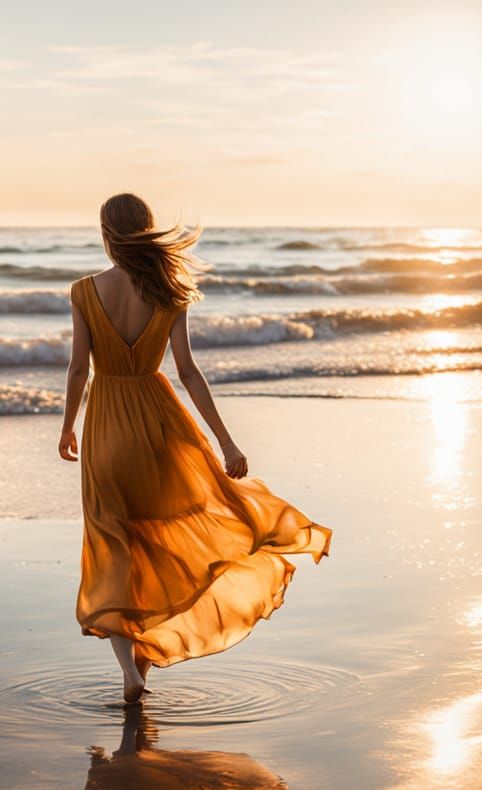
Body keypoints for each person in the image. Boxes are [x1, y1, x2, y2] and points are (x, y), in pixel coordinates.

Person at [58, 192, 332, 704]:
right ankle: (153, 639)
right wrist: (225, 441)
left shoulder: (83, 292)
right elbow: (187, 371)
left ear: (106, 233)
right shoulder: (171, 292)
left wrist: (67, 427)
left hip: (106, 429)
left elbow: (78, 369)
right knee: (173, 529)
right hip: (160, 425)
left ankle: (130, 670)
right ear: (146, 229)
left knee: (113, 544)